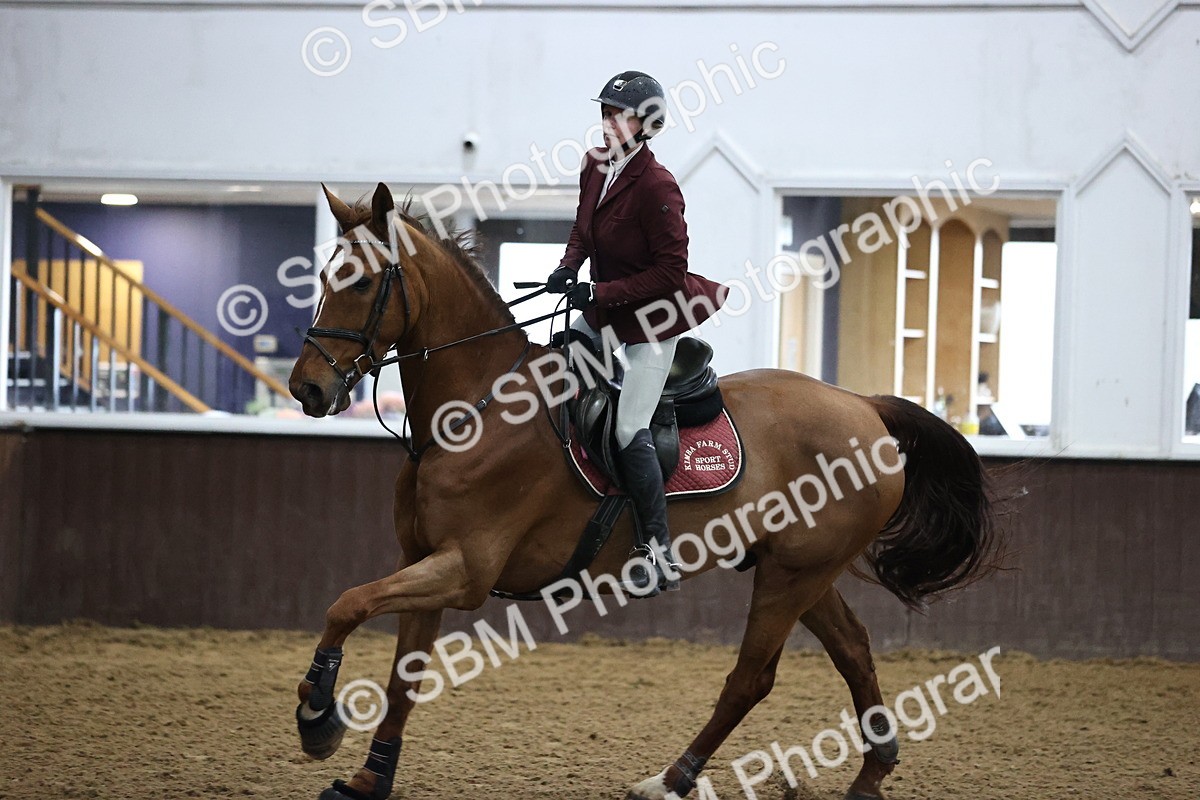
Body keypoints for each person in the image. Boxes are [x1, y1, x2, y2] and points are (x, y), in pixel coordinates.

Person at [546, 70, 727, 593]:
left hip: (652, 320)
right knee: (560, 368)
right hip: (607, 313)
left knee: (630, 428)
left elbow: (671, 271)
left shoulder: (657, 185)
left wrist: (599, 294)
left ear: (646, 124)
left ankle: (656, 544)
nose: (607, 123)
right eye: (604, 112)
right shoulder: (595, 164)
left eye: (618, 114)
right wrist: (567, 268)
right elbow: (584, 227)